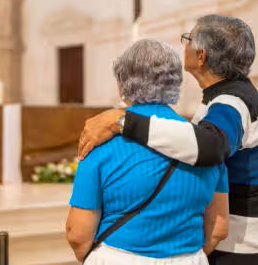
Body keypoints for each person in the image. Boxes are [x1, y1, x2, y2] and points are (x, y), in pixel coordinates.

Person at [78, 15, 258, 265]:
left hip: (238, 247)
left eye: (188, 39)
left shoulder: (231, 102)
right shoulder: (228, 97)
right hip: (234, 241)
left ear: (201, 55)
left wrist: (122, 122)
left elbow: (211, 145)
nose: (184, 46)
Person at [66, 39, 229, 264]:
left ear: (122, 84)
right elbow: (218, 227)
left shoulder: (100, 140)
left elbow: (78, 234)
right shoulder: (206, 144)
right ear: (175, 83)